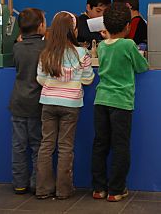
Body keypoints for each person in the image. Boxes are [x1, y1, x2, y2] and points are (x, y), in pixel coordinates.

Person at [91, 3, 149, 202]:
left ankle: (99, 188)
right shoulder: (128, 45)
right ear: (127, 26)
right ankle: (116, 190)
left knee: (100, 144)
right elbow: (142, 67)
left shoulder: (101, 46)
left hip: (101, 100)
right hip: (121, 103)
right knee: (120, 146)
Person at [36, 11, 95, 200]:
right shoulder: (81, 53)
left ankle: (43, 189)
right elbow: (88, 79)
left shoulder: (46, 53)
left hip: (48, 102)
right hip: (71, 104)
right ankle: (63, 190)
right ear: (73, 31)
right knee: (65, 147)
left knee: (46, 145)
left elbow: (40, 79)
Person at [9, 8, 47, 195]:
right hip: (37, 103)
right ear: (41, 26)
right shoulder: (46, 47)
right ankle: (35, 183)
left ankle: (19, 183)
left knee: (18, 146)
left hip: (17, 102)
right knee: (37, 146)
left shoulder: (16, 48)